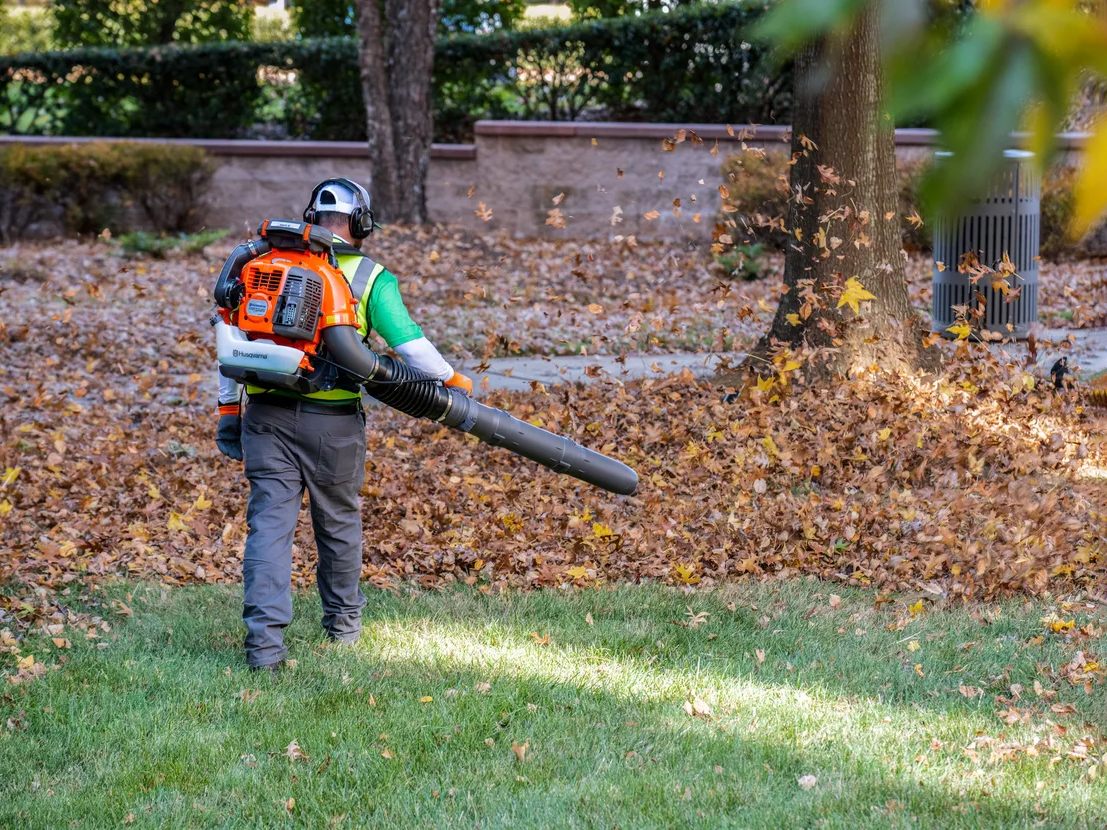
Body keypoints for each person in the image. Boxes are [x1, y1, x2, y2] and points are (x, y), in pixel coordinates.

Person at [215, 178, 472, 671]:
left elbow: (228, 341)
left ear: (310, 216)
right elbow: (410, 347)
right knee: (337, 522)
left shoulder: (259, 263)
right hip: (332, 423)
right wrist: (451, 380)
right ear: (361, 223)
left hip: (264, 416)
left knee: (269, 527)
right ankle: (343, 626)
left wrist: (229, 412)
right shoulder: (370, 276)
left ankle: (264, 649)